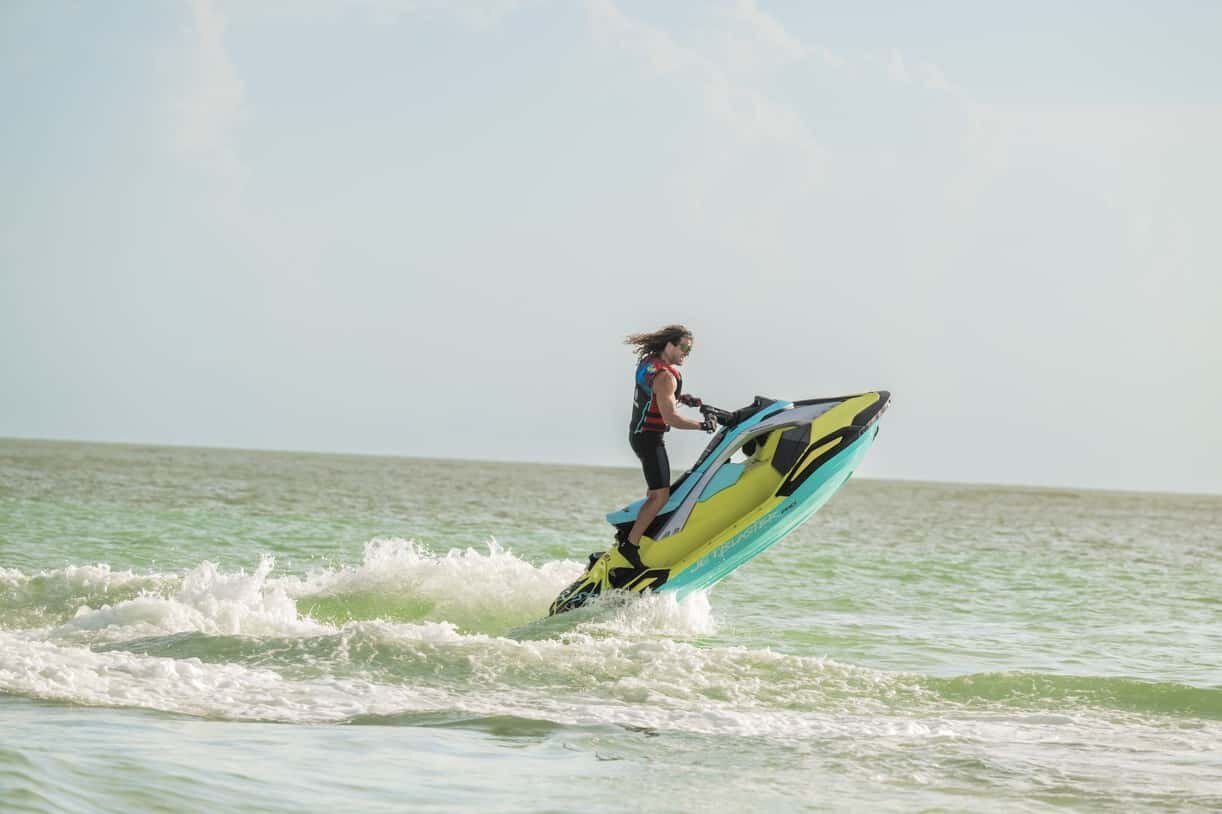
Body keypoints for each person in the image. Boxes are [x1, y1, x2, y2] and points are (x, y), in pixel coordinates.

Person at [622, 324, 715, 555]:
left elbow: (655, 394)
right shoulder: (665, 377)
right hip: (649, 439)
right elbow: (671, 418)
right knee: (660, 495)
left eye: (690, 350)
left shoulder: (650, 364)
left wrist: (680, 397)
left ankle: (642, 533)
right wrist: (702, 425)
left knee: (655, 492)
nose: (686, 354)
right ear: (669, 345)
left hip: (639, 434)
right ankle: (630, 546)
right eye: (684, 348)